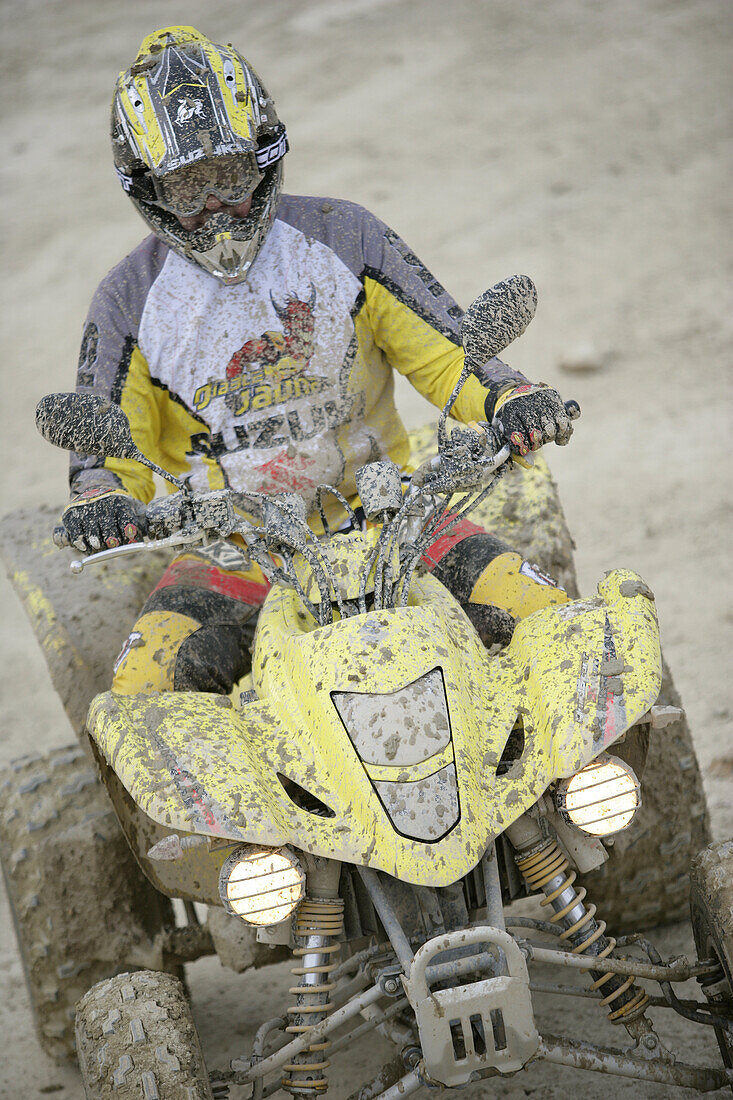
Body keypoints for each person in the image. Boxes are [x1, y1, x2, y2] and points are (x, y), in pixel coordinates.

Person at [61, 25, 576, 696]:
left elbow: (447, 351)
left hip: (394, 521)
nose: (216, 206)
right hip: (232, 556)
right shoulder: (127, 299)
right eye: (189, 187)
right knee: (137, 697)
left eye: (229, 175)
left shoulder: (345, 235)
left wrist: (510, 397)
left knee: (558, 627)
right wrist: (100, 498)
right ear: (148, 189)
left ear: (264, 157)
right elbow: (108, 449)